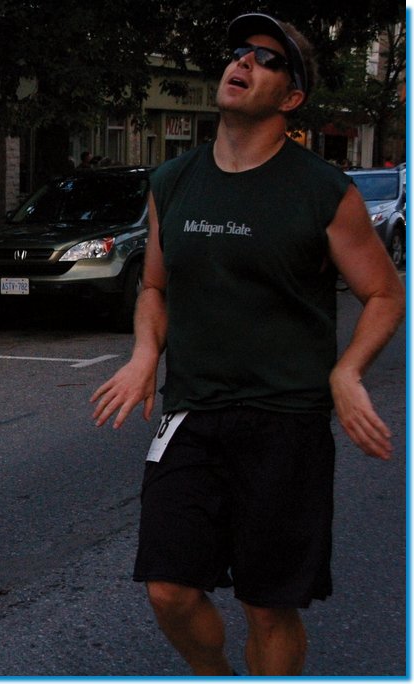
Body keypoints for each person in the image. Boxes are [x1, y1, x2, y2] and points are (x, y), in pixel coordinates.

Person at [89, 14, 405, 676]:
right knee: (169, 590)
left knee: (267, 607)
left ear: (291, 97)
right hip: (192, 412)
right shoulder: (173, 181)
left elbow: (384, 293)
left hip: (286, 421)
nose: (244, 63)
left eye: (267, 59)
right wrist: (145, 355)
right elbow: (154, 287)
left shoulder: (323, 190)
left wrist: (348, 372)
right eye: (240, 52)